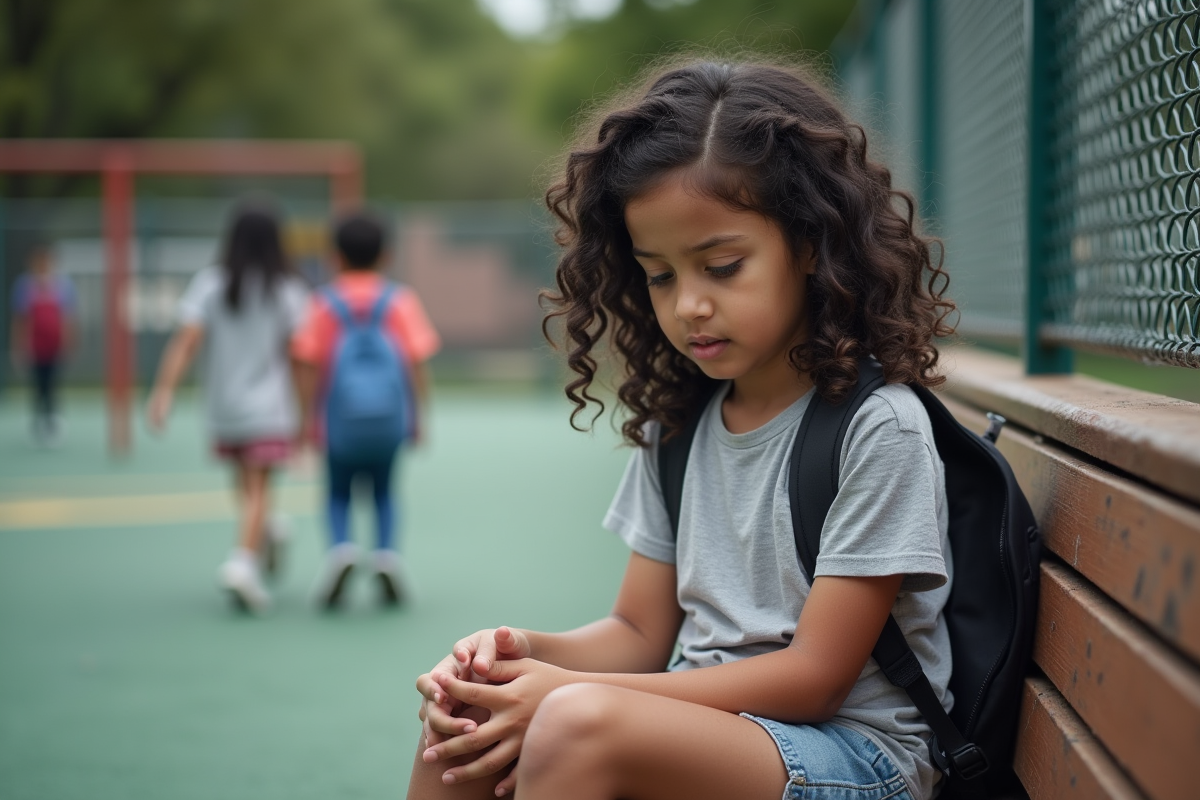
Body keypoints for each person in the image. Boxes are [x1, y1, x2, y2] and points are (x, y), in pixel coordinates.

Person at [409, 59, 958, 800]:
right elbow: (639, 634)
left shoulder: (877, 427)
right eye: (660, 276)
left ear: (808, 246)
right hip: (714, 729)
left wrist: (567, 697)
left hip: (858, 757)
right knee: (466, 713)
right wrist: (520, 659)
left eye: (722, 267)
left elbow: (816, 679)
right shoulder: (678, 428)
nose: (689, 305)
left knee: (575, 722)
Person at [147, 201, 309, 613]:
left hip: (226, 407)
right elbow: (300, 355)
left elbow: (186, 341)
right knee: (256, 488)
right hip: (271, 407)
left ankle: (254, 545)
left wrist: (163, 391)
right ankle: (250, 553)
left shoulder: (211, 283)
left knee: (248, 484)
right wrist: (308, 411)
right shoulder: (288, 289)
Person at [291, 210, 440, 609]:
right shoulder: (400, 301)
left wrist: (306, 420)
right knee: (384, 489)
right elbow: (416, 362)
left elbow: (308, 365)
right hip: (390, 418)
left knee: (338, 491)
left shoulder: (323, 303)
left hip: (340, 419)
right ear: (385, 256)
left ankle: (342, 549)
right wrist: (419, 415)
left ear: (335, 257)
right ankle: (386, 556)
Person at [10, 244, 76, 446]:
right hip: (35, 345)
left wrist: (69, 341)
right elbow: (20, 319)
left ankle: (52, 420)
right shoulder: (24, 285)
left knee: (53, 382)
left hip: (54, 345)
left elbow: (68, 318)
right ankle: (39, 419)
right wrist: (19, 346)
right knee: (38, 384)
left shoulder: (63, 285)